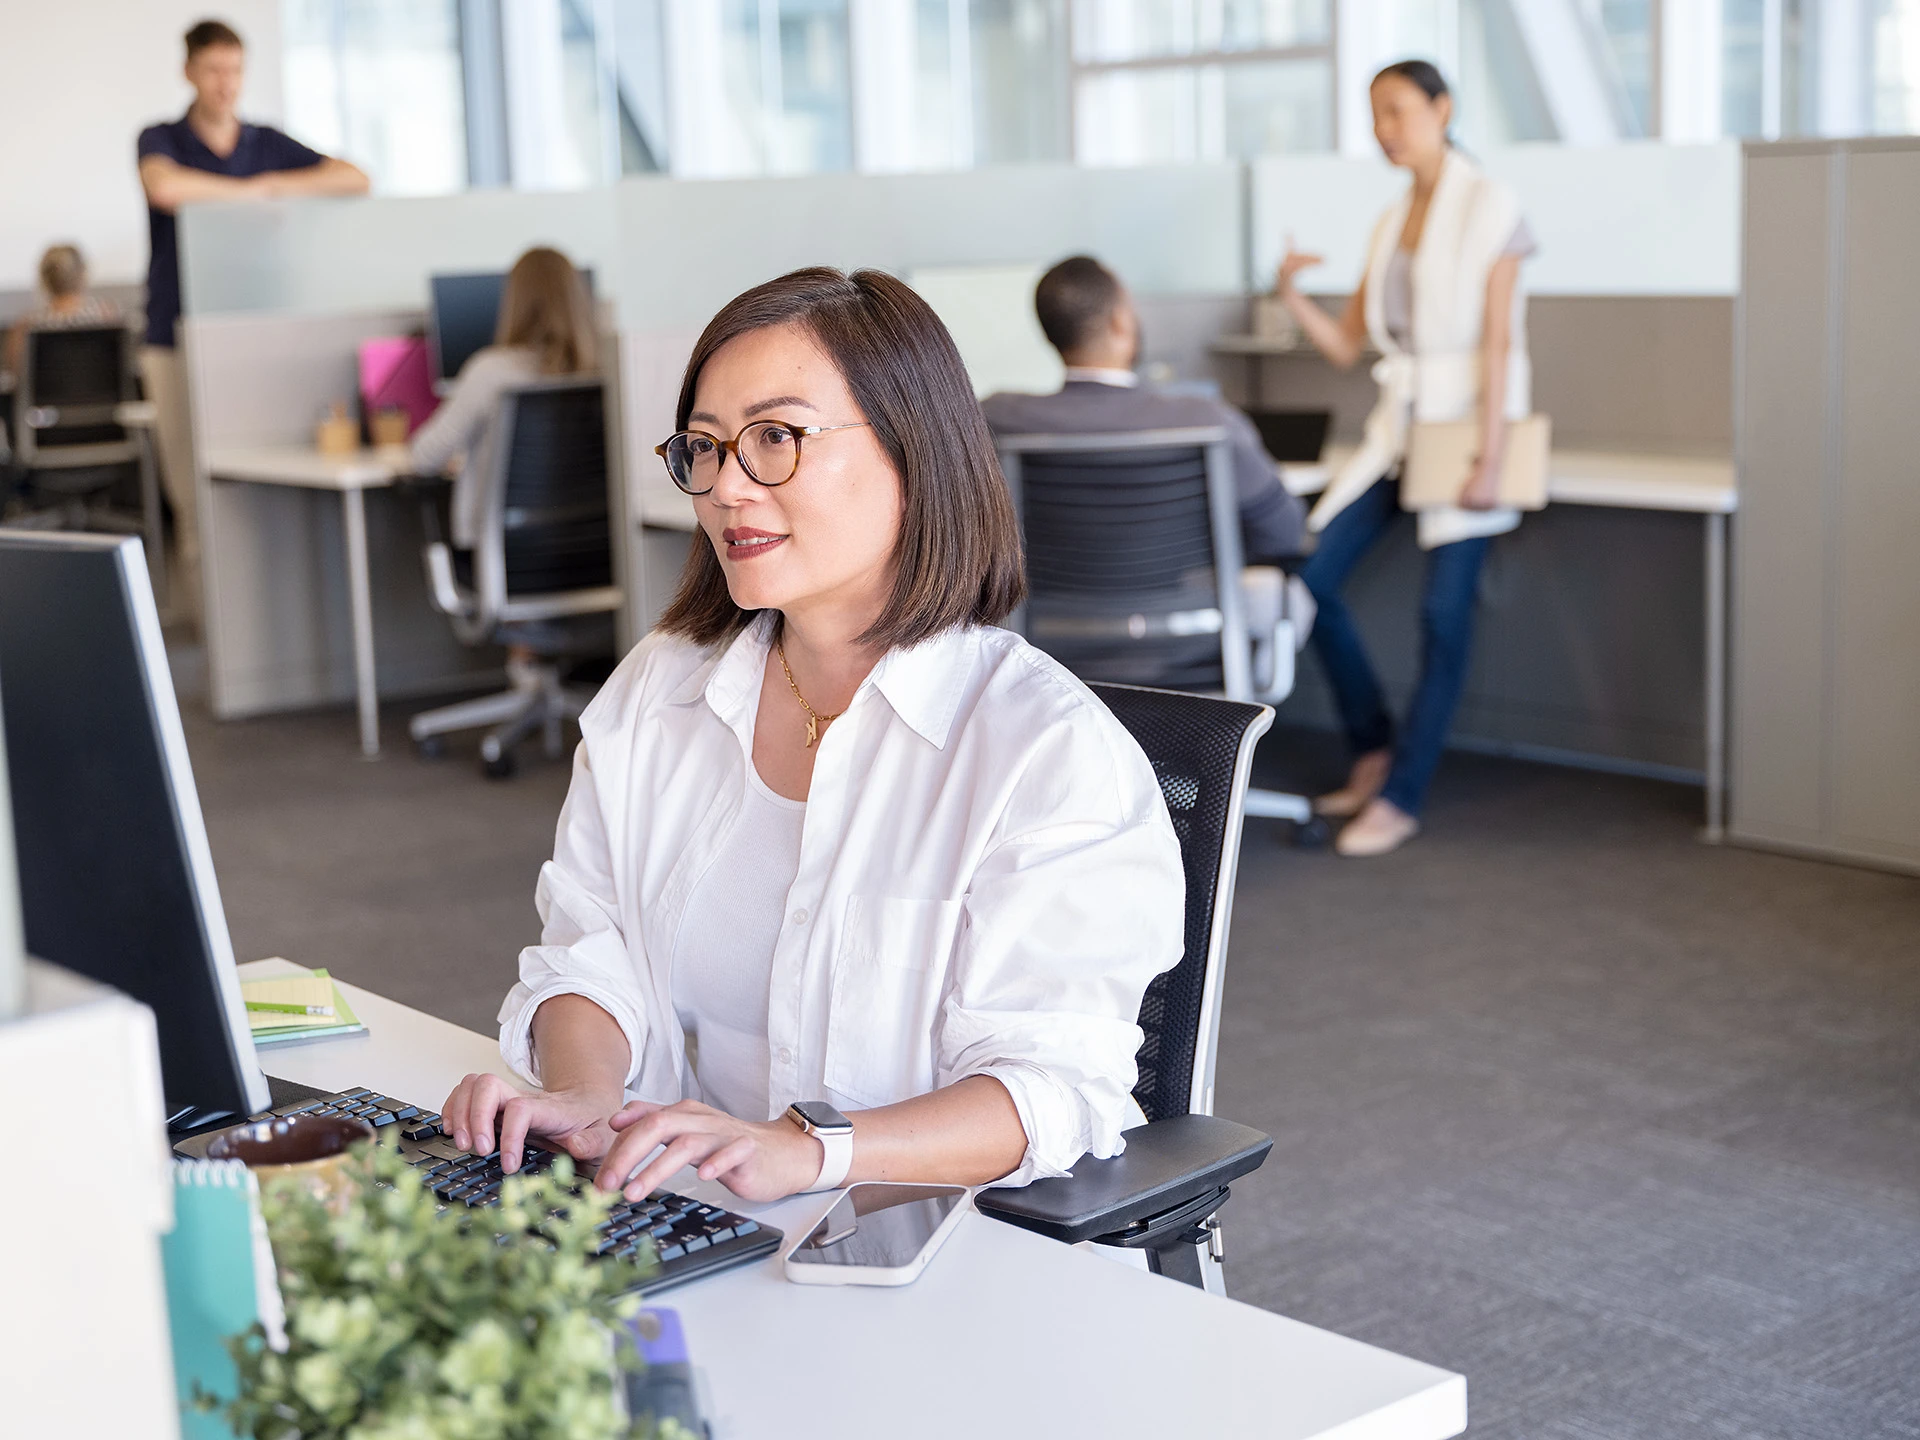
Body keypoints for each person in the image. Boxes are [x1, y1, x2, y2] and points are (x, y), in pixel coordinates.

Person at [441, 267, 1184, 1205]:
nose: (725, 488)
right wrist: (585, 1092)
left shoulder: (1045, 751)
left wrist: (806, 1149)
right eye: (704, 449)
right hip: (683, 1217)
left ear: (914, 452)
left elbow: (1053, 1090)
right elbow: (594, 951)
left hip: (926, 1257)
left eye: (777, 439)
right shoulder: (662, 689)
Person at [1274, 60, 1537, 858]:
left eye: (1398, 111)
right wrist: (1290, 294)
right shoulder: (1391, 221)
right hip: (1400, 431)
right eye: (1374, 113)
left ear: (1442, 108)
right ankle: (1374, 748)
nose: (1384, 128)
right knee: (1308, 579)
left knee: (1441, 618)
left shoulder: (1492, 205)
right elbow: (1352, 344)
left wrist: (1490, 455)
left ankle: (1401, 795)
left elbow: (1499, 342)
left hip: (1466, 429)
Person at [136, 18, 369, 620]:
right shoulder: (161, 137)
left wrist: (269, 182)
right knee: (191, 492)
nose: (225, 83)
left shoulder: (264, 143)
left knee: (255, 486)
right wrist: (251, 198)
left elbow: (353, 178)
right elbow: (164, 189)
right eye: (213, 70)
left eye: (234, 70)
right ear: (189, 71)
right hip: (175, 335)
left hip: (253, 336)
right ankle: (208, 635)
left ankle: (254, 625)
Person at [982, 255, 1308, 565]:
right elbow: (1284, 534)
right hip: (1193, 613)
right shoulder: (1207, 421)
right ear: (1120, 323)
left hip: (1042, 619)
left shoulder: (996, 418)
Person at [408, 247, 599, 554]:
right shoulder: (601, 371)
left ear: (514, 302)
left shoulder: (491, 371)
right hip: (589, 552)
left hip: (505, 559)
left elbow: (425, 457)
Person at [4, 244, 123, 376]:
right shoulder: (106, 315)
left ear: (44, 278)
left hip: (46, 396)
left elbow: (18, 378)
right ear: (83, 274)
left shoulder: (26, 326)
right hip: (101, 396)